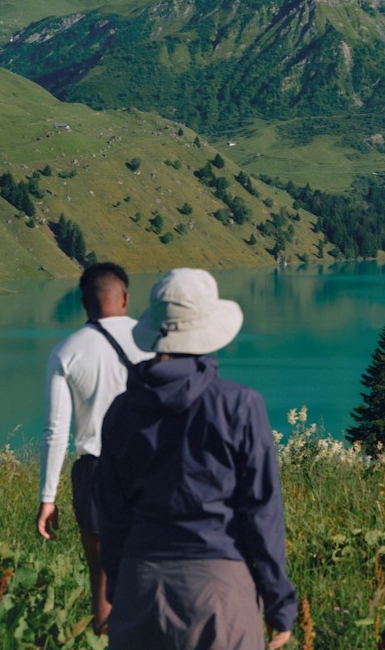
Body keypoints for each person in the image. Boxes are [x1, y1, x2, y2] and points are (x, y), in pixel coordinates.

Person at [98, 268, 296, 649]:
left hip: (141, 584)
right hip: (220, 589)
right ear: (208, 330)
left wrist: (121, 585)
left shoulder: (121, 411)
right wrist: (278, 602)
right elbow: (261, 512)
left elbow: (111, 513)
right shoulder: (239, 404)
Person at [37, 261, 153, 634]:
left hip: (96, 472)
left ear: (84, 302)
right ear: (125, 298)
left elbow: (56, 429)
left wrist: (47, 497)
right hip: (150, 466)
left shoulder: (67, 351)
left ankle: (105, 638)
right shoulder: (154, 342)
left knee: (102, 575)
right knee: (151, 567)